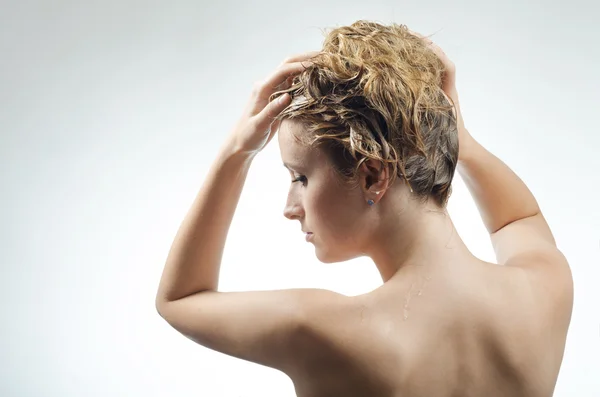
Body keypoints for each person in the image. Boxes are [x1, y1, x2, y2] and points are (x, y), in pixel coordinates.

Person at [155, 20, 573, 397]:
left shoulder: (319, 330)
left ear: (373, 175)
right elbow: (519, 219)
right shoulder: (544, 288)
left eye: (300, 177)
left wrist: (236, 152)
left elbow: (180, 298)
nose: (290, 208)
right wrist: (456, 134)